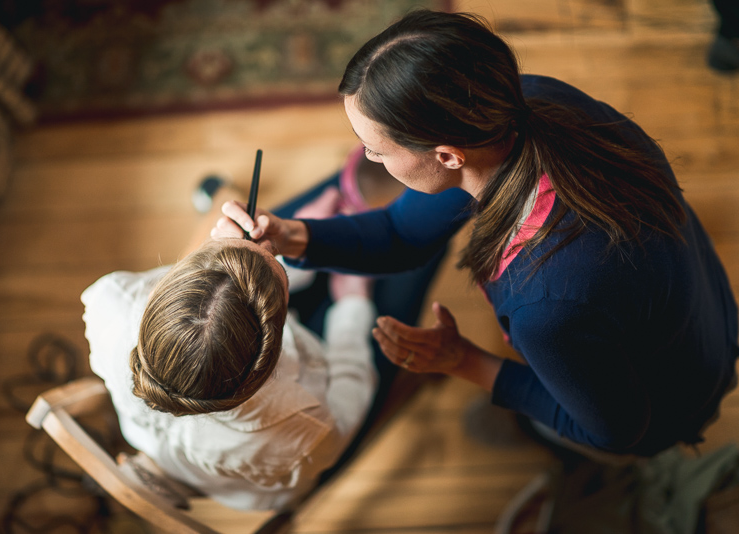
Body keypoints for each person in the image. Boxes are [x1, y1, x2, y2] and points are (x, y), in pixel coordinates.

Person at [213, 10, 739, 460]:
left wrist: (462, 361)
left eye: (375, 148)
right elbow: (400, 233)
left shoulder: (549, 304)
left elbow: (618, 432)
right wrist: (291, 235)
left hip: (663, 397)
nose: (367, 158)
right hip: (700, 305)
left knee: (557, 429)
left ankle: (540, 439)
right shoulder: (524, 107)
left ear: (446, 156)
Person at [82, 147, 446, 510]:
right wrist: (352, 303)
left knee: (296, 216)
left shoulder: (110, 302)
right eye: (277, 262)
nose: (273, 249)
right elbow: (352, 384)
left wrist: (290, 242)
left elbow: (236, 284)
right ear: (274, 350)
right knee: (417, 245)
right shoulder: (302, 432)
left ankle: (364, 179)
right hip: (332, 366)